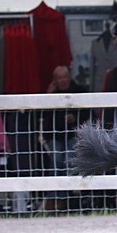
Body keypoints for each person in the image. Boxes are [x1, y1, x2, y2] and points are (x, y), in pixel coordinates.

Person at [38, 65, 89, 211]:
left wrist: (75, 117)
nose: (63, 80)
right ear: (54, 80)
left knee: (69, 160)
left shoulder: (79, 91)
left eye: (65, 77)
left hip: (74, 133)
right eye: (59, 78)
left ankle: (66, 199)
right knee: (56, 160)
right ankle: (53, 198)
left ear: (69, 77)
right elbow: (42, 115)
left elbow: (88, 113)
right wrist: (48, 96)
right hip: (54, 135)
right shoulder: (50, 93)